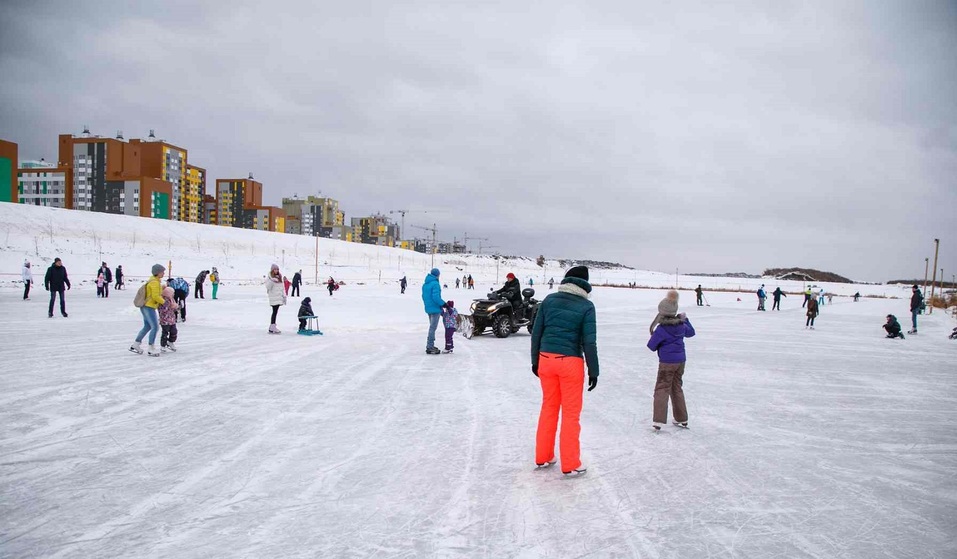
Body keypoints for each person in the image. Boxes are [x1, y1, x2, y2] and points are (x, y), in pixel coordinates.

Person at [530, 265, 597, 477]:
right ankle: (570, 463)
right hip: (570, 363)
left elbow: (536, 333)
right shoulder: (587, 306)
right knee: (570, 414)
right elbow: (589, 342)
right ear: (585, 284)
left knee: (548, 408)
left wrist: (535, 361)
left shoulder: (549, 300)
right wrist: (594, 370)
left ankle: (543, 456)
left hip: (546, 360)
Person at [647, 290, 695, 431]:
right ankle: (682, 418)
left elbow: (651, 346)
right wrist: (686, 320)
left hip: (667, 363)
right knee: (676, 388)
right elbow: (691, 333)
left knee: (662, 388)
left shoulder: (661, 329)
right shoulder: (681, 325)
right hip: (681, 361)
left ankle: (658, 421)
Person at [130, 264, 166, 356]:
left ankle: (136, 344)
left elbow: (154, 293)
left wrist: (161, 288)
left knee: (147, 326)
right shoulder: (154, 282)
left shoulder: (154, 282)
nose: (163, 273)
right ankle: (151, 348)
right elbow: (155, 296)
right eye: (162, 272)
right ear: (157, 273)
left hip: (146, 306)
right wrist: (164, 302)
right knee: (155, 326)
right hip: (148, 306)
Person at [421, 268, 446, 354]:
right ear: (437, 275)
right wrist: (444, 304)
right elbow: (436, 297)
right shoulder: (435, 284)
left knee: (432, 327)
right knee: (432, 328)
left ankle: (430, 344)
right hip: (435, 309)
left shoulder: (425, 284)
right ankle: (430, 346)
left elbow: (424, 296)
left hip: (429, 308)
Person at [158, 286, 180, 352]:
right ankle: (163, 345)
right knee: (165, 332)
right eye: (172, 293)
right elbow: (162, 309)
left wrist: (177, 307)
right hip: (164, 319)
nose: (173, 294)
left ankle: (170, 342)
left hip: (172, 319)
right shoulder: (162, 300)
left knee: (174, 331)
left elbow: (174, 307)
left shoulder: (172, 299)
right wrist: (170, 306)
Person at [266, 264, 286, 334]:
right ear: (272, 270)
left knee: (275, 312)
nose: (276, 271)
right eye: (275, 269)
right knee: (274, 312)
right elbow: (268, 287)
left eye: (277, 269)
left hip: (278, 298)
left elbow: (282, 287)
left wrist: (284, 296)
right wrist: (272, 280)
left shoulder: (280, 277)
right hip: (273, 298)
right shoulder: (270, 277)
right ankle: (272, 326)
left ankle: (272, 326)